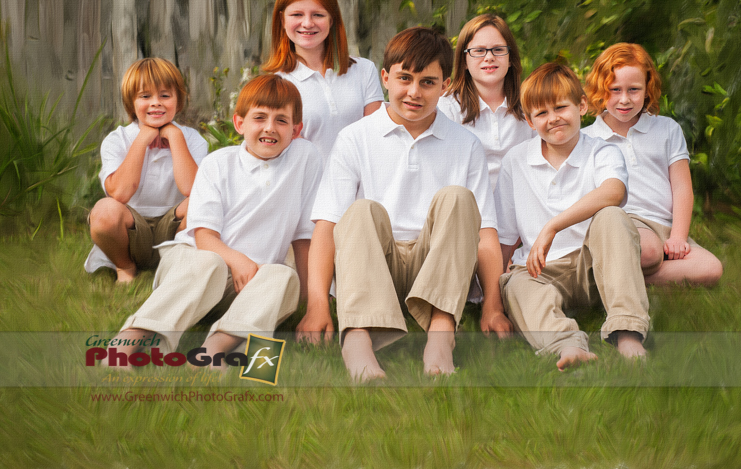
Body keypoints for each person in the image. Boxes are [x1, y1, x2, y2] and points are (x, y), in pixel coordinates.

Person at [296, 27, 511, 381]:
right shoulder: (354, 138)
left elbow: (485, 232)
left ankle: (441, 337)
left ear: (445, 87)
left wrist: (492, 303)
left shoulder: (465, 144)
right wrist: (318, 302)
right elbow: (327, 224)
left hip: (437, 266)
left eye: (428, 82)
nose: (414, 92)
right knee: (362, 211)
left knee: (458, 199)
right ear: (385, 78)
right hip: (375, 266)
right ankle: (358, 341)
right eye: (404, 79)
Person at [104, 74, 323, 367]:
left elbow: (303, 236)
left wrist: (310, 307)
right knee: (210, 264)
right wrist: (237, 260)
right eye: (259, 118)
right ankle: (129, 340)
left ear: (297, 130)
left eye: (281, 121)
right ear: (239, 123)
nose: (270, 128)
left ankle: (214, 348)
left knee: (284, 276)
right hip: (194, 265)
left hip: (247, 286)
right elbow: (203, 237)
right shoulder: (219, 164)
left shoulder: (305, 158)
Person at [495, 62, 649, 370]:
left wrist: (552, 226)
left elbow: (614, 191)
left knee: (612, 217)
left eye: (560, 107)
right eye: (541, 113)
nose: (553, 119)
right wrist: (494, 302)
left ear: (581, 105)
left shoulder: (601, 152)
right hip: (540, 270)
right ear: (529, 121)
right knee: (515, 283)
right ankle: (566, 343)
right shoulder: (516, 161)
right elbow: (505, 237)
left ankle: (627, 332)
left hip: (592, 266)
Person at [582, 43, 723, 286]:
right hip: (625, 223)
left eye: (634, 90)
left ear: (648, 89)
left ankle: (615, 284)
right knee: (648, 252)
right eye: (614, 90)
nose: (624, 99)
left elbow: (681, 188)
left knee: (711, 269)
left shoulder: (667, 129)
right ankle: (627, 277)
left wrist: (678, 237)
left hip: (665, 229)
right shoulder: (587, 139)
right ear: (599, 90)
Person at [84, 58, 208, 283]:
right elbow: (120, 194)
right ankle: (125, 266)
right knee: (103, 212)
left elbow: (192, 189)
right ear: (131, 103)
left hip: (175, 228)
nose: (156, 103)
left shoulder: (192, 139)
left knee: (204, 203)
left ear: (178, 101)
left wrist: (175, 137)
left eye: (164, 95)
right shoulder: (117, 140)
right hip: (131, 231)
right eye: (145, 96)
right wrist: (142, 140)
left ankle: (176, 264)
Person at [262, 0, 384, 156]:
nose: (307, 23)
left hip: (363, 183)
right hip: (310, 184)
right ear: (282, 19)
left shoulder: (364, 70)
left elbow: (376, 138)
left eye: (318, 14)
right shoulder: (275, 85)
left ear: (332, 19)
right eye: (297, 14)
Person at [438, 14, 533, 190]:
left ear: (510, 58)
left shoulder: (530, 103)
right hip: (470, 207)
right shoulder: (447, 108)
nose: (489, 57)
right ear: (464, 61)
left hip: (521, 205)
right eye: (479, 51)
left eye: (498, 49)